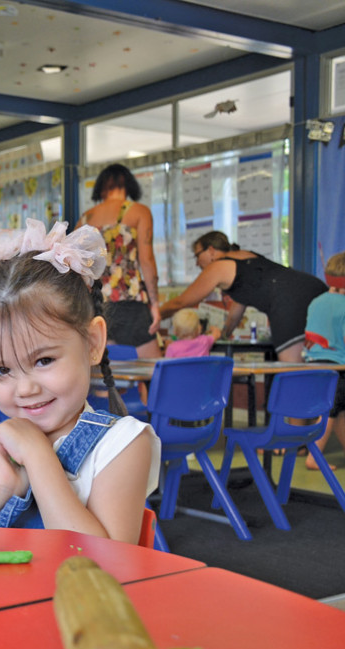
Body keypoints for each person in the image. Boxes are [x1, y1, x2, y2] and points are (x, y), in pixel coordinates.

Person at [0, 220, 161, 544]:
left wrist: (38, 455)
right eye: (1, 370)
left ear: (92, 343)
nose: (25, 389)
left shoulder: (121, 446)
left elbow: (107, 568)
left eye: (43, 361)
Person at [159, 231, 328, 363]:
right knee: (324, 361)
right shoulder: (245, 257)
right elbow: (235, 314)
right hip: (317, 290)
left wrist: (154, 316)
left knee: (293, 372)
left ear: (211, 251)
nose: (196, 263)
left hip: (289, 300)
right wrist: (225, 333)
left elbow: (183, 301)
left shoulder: (218, 266)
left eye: (197, 256)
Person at [78, 163, 162, 359]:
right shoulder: (139, 212)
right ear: (128, 184)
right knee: (152, 369)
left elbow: (73, 261)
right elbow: (147, 260)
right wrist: (155, 304)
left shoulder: (85, 218)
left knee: (107, 371)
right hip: (129, 301)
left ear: (101, 186)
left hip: (96, 304)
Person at [303, 251, 345, 471]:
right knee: (330, 411)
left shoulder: (316, 302)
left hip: (313, 364)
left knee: (339, 410)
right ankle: (314, 457)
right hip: (337, 366)